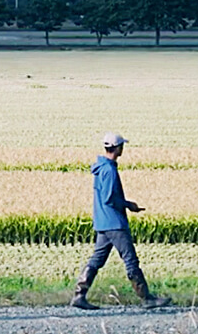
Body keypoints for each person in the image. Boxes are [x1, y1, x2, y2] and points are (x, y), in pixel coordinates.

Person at [70, 132, 171, 310]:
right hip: (114, 223)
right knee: (130, 260)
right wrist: (128, 205)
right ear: (117, 148)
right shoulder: (109, 170)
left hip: (103, 222)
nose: (123, 148)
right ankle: (147, 298)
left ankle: (79, 295)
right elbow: (110, 198)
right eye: (122, 146)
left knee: (97, 260)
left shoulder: (101, 167)